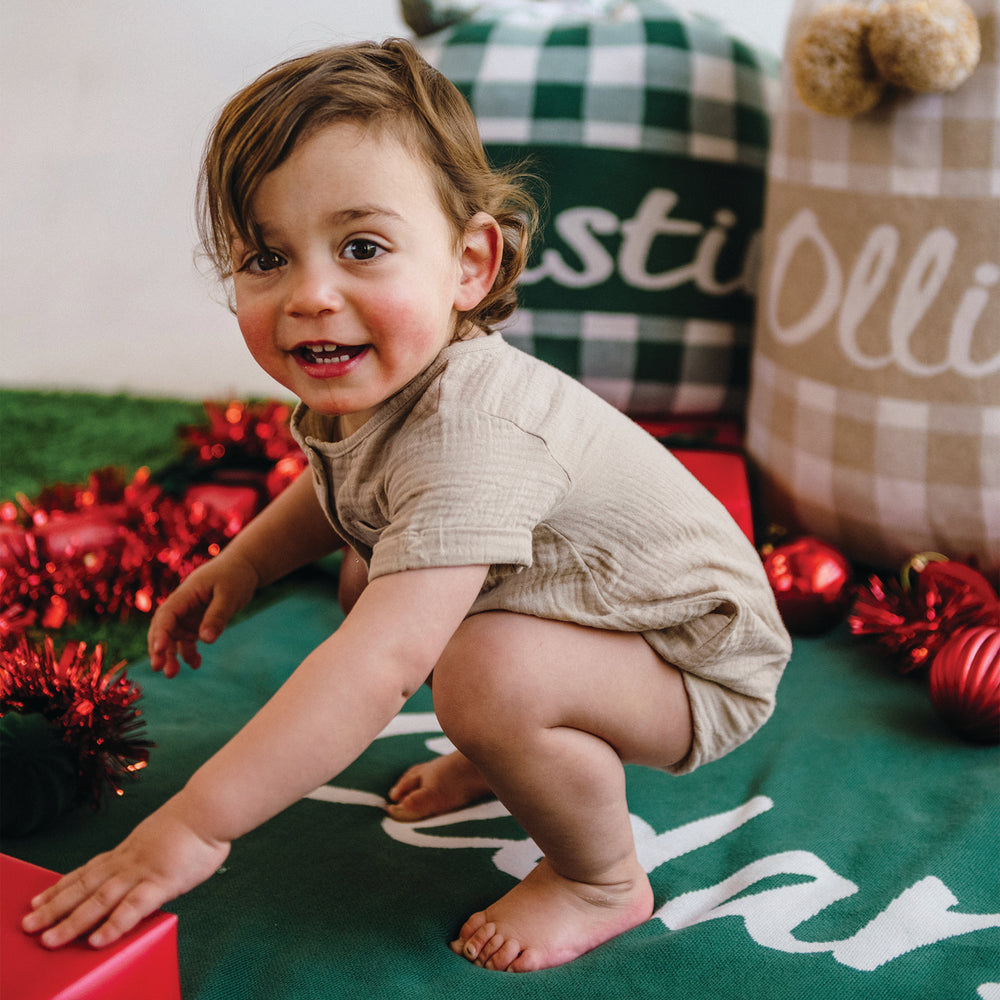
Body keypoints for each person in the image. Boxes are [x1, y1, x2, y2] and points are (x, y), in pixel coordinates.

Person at [22, 38, 791, 973]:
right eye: (266, 255)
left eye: (362, 248)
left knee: (482, 672)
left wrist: (193, 827)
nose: (311, 295)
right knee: (374, 578)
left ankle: (601, 877)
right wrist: (249, 561)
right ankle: (509, 752)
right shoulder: (373, 387)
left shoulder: (476, 425)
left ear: (470, 263)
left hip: (689, 658)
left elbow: (380, 664)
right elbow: (337, 485)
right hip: (582, 612)